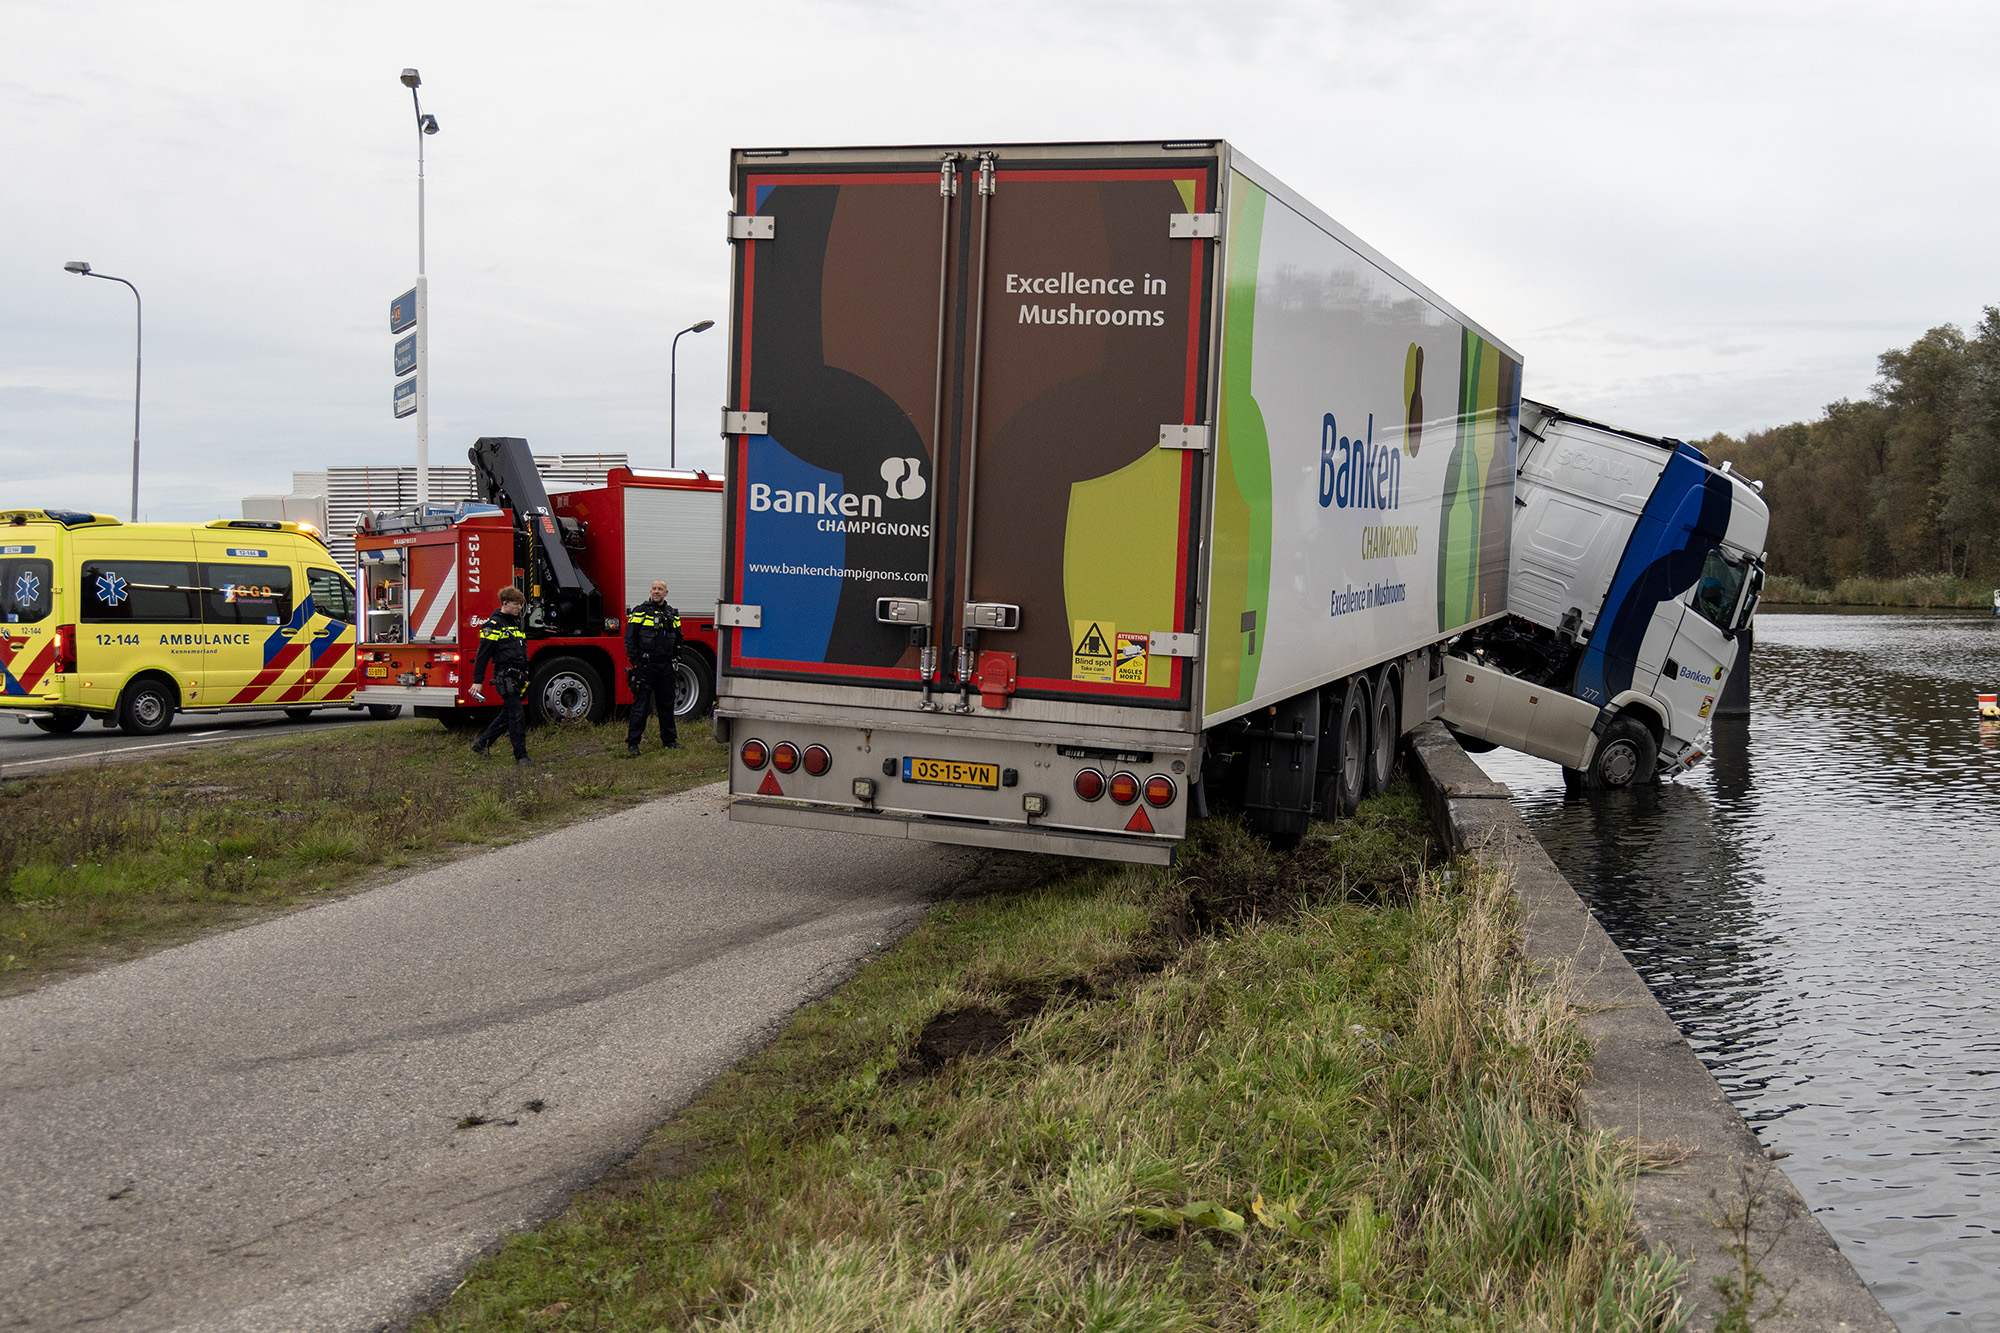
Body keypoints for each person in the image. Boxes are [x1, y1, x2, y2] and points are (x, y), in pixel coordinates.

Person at [469, 586, 534, 766]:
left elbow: (520, 651)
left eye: (520, 605)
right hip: (504, 676)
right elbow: (482, 655)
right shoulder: (493, 625)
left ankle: (482, 744)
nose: (519, 608)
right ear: (505, 604)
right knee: (517, 715)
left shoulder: (515, 623)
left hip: (517, 675)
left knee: (507, 714)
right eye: (516, 604)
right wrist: (477, 681)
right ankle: (521, 756)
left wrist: (525, 671)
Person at [624, 579, 682, 755]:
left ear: (666, 593)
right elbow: (630, 638)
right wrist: (636, 662)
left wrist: (676, 657)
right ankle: (633, 744)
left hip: (665, 666)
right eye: (654, 588)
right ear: (650, 592)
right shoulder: (640, 611)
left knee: (666, 705)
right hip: (646, 666)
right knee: (641, 706)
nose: (656, 591)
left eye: (660, 589)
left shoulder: (672, 613)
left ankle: (669, 741)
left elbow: (679, 638)